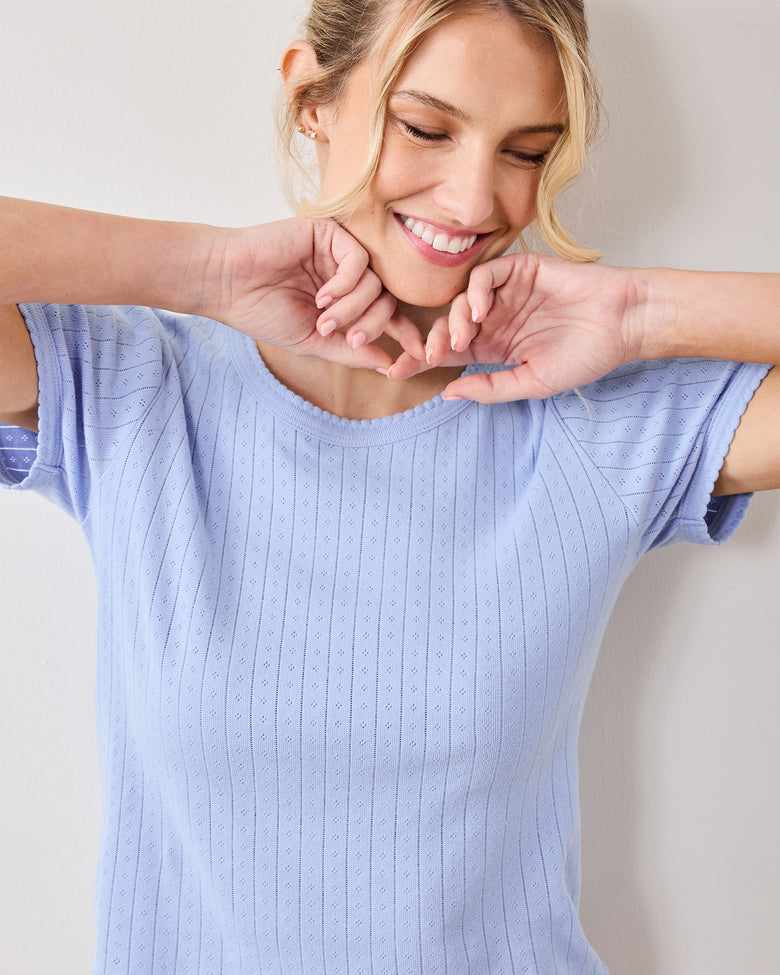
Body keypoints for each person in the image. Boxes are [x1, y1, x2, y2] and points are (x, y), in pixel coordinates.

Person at [0, 1, 777, 973]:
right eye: (427, 127)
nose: (474, 199)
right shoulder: (136, 387)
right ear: (311, 97)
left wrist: (641, 308)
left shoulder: (597, 421)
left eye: (527, 151)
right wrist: (200, 270)